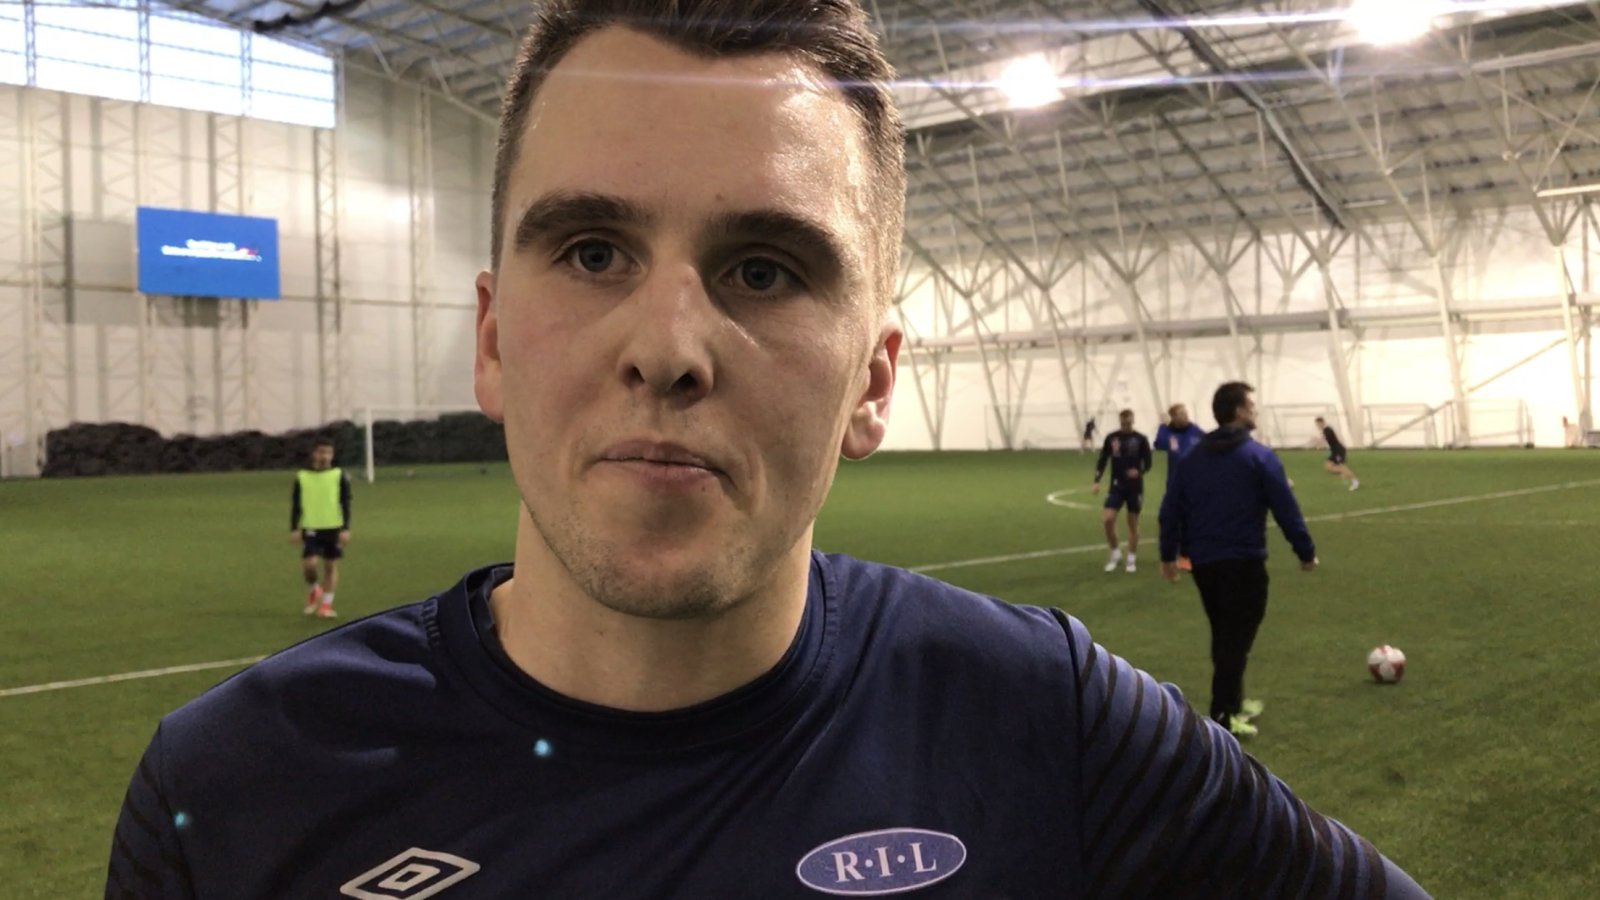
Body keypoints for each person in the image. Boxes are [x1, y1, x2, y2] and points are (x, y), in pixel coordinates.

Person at [107, 3, 1428, 897]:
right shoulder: (235, 791)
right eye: (593, 252)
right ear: (493, 340)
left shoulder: (1053, 723)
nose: (668, 347)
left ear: (872, 381)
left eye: (763, 268)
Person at [1159, 382, 1319, 740]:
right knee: (1236, 636)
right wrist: (1305, 551)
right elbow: (1286, 509)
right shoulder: (1257, 456)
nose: (1255, 410)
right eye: (1251, 405)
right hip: (1244, 563)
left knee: (1225, 632)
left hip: (1204, 565)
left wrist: (1168, 554)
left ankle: (1233, 700)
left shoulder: (1192, 458)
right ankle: (1222, 716)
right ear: (1238, 411)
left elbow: (1170, 509)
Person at [288, 436, 349, 619]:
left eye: (329, 452)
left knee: (330, 566)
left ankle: (326, 605)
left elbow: (345, 503)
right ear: (314, 454)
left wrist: (345, 528)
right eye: (322, 452)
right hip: (311, 526)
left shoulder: (338, 475)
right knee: (310, 565)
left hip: (333, 526)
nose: (325, 456)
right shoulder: (302, 476)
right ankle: (314, 589)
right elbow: (296, 504)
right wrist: (294, 527)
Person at [1092, 409, 1152, 573]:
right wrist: (1096, 481)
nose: (1126, 425)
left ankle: (1131, 559)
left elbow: (1148, 463)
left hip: (1134, 487)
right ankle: (1115, 553)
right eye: (1123, 423)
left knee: (1132, 524)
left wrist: (1138, 472)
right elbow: (1103, 459)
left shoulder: (1141, 439)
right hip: (1116, 486)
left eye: (1129, 422)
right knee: (1108, 519)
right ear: (1120, 421)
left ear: (1133, 421)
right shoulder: (1112, 438)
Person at [1154, 402, 1205, 572]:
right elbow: (1159, 443)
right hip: (1175, 485)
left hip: (1195, 484)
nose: (1185, 415)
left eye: (1186, 412)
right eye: (1181, 413)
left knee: (1190, 520)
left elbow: (1209, 444)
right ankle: (1171, 554)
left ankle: (1185, 556)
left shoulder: (1195, 431)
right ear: (1173, 417)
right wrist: (1162, 425)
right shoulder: (1168, 433)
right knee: (1169, 519)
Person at [1315, 415, 1360, 490]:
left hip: (1339, 451)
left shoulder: (1327, 429)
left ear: (1322, 422)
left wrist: (1319, 443)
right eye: (1317, 425)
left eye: (1318, 424)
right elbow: (1325, 439)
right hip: (1334, 451)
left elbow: (1325, 438)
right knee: (1327, 467)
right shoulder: (1325, 430)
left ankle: (1355, 481)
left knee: (1341, 467)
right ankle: (1342, 472)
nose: (1317, 426)